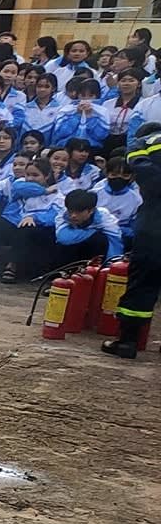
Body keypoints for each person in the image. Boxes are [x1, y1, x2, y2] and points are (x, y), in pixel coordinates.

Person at [104, 124, 161, 359]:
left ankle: (127, 342)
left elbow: (139, 165)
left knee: (141, 286)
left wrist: (135, 148)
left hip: (154, 232)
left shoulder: (149, 158)